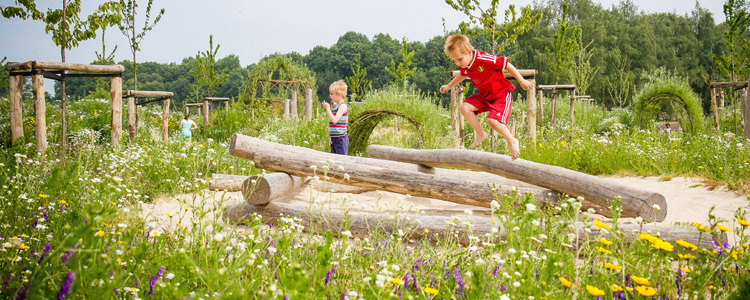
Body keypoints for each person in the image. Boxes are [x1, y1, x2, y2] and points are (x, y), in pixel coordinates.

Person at [439, 34, 533, 160]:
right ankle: (481, 134)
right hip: (485, 96)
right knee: (464, 108)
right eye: (454, 61)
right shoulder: (466, 66)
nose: (457, 63)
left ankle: (512, 140)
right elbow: (462, 75)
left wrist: (521, 80)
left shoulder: (484, 58)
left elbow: (507, 65)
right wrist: (449, 86)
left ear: (469, 52)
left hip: (501, 95)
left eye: (459, 59)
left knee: (492, 121)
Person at [322, 80, 349, 155]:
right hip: (334, 138)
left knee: (341, 160)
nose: (330, 96)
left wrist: (327, 109)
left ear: (339, 94)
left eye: (332, 94)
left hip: (340, 138)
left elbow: (334, 120)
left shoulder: (342, 106)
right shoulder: (336, 106)